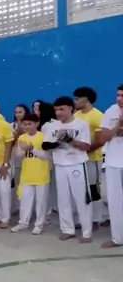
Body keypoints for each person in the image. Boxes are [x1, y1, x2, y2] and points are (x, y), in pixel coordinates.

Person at [42, 96, 92, 241]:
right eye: (56, 110)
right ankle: (67, 229)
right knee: (63, 199)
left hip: (77, 164)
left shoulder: (81, 124)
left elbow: (86, 146)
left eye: (61, 109)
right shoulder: (52, 126)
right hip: (60, 165)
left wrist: (69, 139)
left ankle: (87, 232)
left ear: (71, 108)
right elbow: (45, 145)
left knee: (82, 199)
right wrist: (56, 143)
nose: (58, 113)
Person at [11, 113, 51, 234]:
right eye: (25, 124)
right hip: (26, 175)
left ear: (37, 124)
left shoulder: (43, 137)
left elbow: (47, 156)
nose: (27, 127)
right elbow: (18, 156)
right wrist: (23, 150)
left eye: (29, 124)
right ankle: (23, 222)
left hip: (41, 175)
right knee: (25, 201)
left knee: (41, 202)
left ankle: (39, 224)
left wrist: (32, 148)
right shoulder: (22, 138)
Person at [73, 87, 105, 227]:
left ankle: (96, 219)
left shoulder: (97, 116)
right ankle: (84, 218)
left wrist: (85, 150)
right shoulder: (76, 115)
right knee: (81, 189)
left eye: (77, 98)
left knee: (93, 189)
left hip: (93, 158)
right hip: (78, 159)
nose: (75, 101)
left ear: (85, 99)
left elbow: (100, 141)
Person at [97, 83, 123, 248]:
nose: (120, 99)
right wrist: (118, 125)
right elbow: (102, 138)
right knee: (115, 201)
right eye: (118, 95)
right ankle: (117, 238)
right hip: (114, 161)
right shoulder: (110, 111)